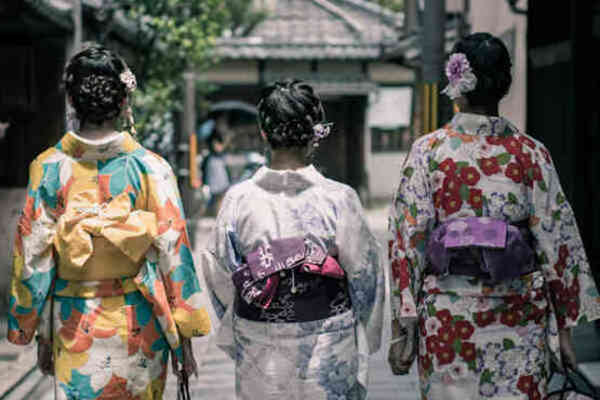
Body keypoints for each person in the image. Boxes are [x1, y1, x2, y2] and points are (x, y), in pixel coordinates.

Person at [387, 33, 600, 399]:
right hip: (519, 315)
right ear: (505, 85)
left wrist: (404, 322)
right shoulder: (531, 153)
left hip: (449, 316)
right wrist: (563, 329)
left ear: (456, 86)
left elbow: (408, 238)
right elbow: (558, 241)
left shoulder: (428, 152)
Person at [7, 45, 211, 399]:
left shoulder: (49, 168)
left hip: (74, 323)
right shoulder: (151, 168)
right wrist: (184, 335)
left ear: (72, 100)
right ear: (123, 101)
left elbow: (33, 260)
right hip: (141, 322)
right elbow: (174, 255)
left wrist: (34, 328)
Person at [200, 79, 384, 399]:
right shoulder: (339, 198)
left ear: (264, 132)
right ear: (314, 133)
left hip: (259, 338)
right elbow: (366, 278)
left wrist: (249, 312)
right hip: (329, 337)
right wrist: (365, 335)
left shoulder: (238, 200)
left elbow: (220, 274)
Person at [201, 131, 231, 215]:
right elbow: (204, 171)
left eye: (218, 144)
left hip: (222, 185)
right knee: (214, 205)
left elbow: (227, 172)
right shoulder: (208, 158)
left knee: (221, 205)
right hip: (212, 186)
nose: (216, 146)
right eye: (214, 144)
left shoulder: (222, 157)